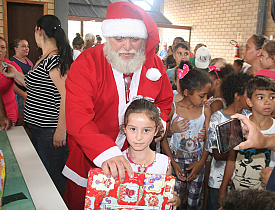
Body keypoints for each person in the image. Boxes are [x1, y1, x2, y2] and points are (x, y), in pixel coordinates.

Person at [63, 2, 173, 209]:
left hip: (139, 160)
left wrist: (160, 123)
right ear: (107, 37)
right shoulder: (87, 63)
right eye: (119, 38)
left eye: (135, 38)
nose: (128, 46)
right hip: (90, 158)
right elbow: (77, 115)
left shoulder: (155, 63)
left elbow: (165, 101)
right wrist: (106, 152)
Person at [1, 15, 73, 196]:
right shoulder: (44, 58)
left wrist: (60, 130)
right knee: (45, 172)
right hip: (39, 127)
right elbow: (33, 84)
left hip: (50, 129)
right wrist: (15, 74)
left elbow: (66, 95)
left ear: (39, 31)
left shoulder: (54, 60)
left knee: (53, 174)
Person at [161, 65, 212, 209]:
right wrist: (172, 162)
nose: (205, 99)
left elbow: (209, 139)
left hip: (197, 162)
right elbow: (163, 138)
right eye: (202, 95)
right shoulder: (173, 108)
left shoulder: (206, 110)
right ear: (187, 92)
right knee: (172, 198)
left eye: (206, 95)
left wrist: (201, 163)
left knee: (193, 201)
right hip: (175, 161)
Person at [219, 75, 275, 203]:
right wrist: (222, 188)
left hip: (265, 196)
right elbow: (231, 159)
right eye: (260, 97)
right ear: (249, 101)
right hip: (237, 192)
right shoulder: (238, 124)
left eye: (272, 97)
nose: (268, 101)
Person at [121, 98, 180, 209]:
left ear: (156, 131)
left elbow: (168, 195)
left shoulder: (164, 163)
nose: (139, 137)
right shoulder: (117, 162)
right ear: (124, 128)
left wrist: (176, 201)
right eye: (133, 129)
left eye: (146, 130)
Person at [205, 72, 252, 210]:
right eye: (248, 95)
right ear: (237, 96)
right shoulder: (218, 118)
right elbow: (217, 154)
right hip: (218, 182)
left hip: (241, 182)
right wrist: (243, 150)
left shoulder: (250, 117)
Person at [10, 39, 33, 127]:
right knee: (22, 121)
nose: (26, 48)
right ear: (16, 49)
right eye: (23, 46)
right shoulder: (13, 62)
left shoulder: (28, 61)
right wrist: (23, 94)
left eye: (27, 46)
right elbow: (13, 83)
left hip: (29, 94)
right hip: (20, 95)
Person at [0, 37, 23, 125]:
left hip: (9, 111)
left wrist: (25, 95)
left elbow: (22, 82)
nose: (0, 50)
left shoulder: (11, 65)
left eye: (2, 47)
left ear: (6, 50)